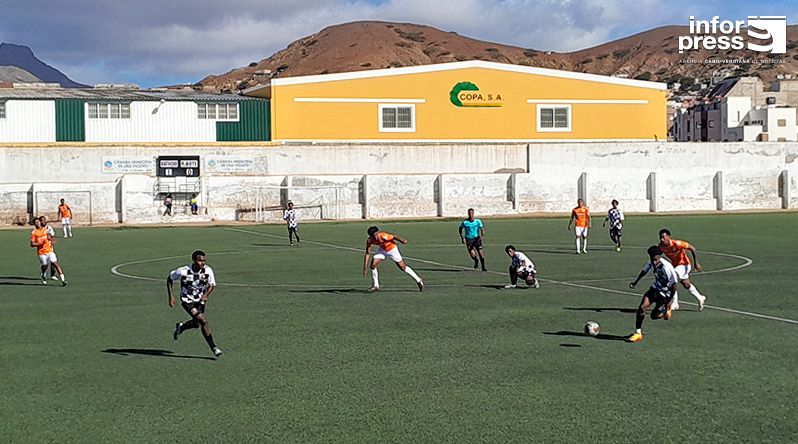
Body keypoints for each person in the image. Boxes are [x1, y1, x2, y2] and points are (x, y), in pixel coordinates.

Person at [167, 250, 223, 358]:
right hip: (187, 300)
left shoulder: (207, 270)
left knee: (197, 323)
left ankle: (181, 327)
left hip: (200, 300)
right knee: (203, 321)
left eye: (204, 261)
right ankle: (214, 347)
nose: (203, 263)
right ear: (193, 260)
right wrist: (171, 296)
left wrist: (205, 295)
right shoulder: (183, 271)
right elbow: (169, 279)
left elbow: (212, 285)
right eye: (200, 261)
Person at [626, 246, 679, 343]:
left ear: (659, 257)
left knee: (654, 316)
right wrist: (636, 282)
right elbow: (644, 271)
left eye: (655, 260)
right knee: (642, 307)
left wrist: (668, 302)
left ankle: (666, 310)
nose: (654, 262)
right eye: (652, 259)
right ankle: (638, 333)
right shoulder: (652, 261)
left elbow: (674, 286)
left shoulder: (667, 267)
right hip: (655, 289)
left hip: (665, 294)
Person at [656, 228, 707, 311]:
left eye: (663, 237)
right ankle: (700, 297)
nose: (662, 239)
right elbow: (657, 256)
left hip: (685, 265)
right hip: (676, 266)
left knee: (672, 278)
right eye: (660, 238)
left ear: (668, 237)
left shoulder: (677, 243)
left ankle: (675, 303)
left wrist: (696, 263)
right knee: (686, 284)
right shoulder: (661, 247)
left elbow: (692, 248)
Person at [362, 226, 424, 292]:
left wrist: (402, 241)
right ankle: (376, 285)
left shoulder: (384, 236)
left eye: (376, 235)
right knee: (372, 265)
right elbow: (367, 253)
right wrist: (365, 266)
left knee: (402, 267)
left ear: (378, 233)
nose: (375, 237)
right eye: (373, 236)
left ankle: (418, 280)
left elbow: (394, 237)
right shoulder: (370, 240)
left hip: (392, 249)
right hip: (382, 250)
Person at [30, 217, 67, 286]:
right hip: (42, 252)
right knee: (44, 265)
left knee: (55, 263)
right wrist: (40, 243)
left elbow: (49, 237)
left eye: (38, 222)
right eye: (36, 222)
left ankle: (63, 280)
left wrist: (53, 240)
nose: (37, 223)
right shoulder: (34, 232)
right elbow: (32, 244)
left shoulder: (46, 230)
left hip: (49, 250)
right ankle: (43, 274)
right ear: (34, 224)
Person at [38, 216, 59, 281]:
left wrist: (53, 240)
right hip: (42, 249)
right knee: (45, 264)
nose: (44, 221)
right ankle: (43, 272)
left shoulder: (49, 228)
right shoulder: (38, 229)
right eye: (42, 220)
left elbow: (52, 236)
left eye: (44, 220)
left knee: (53, 262)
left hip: (49, 247)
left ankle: (52, 275)